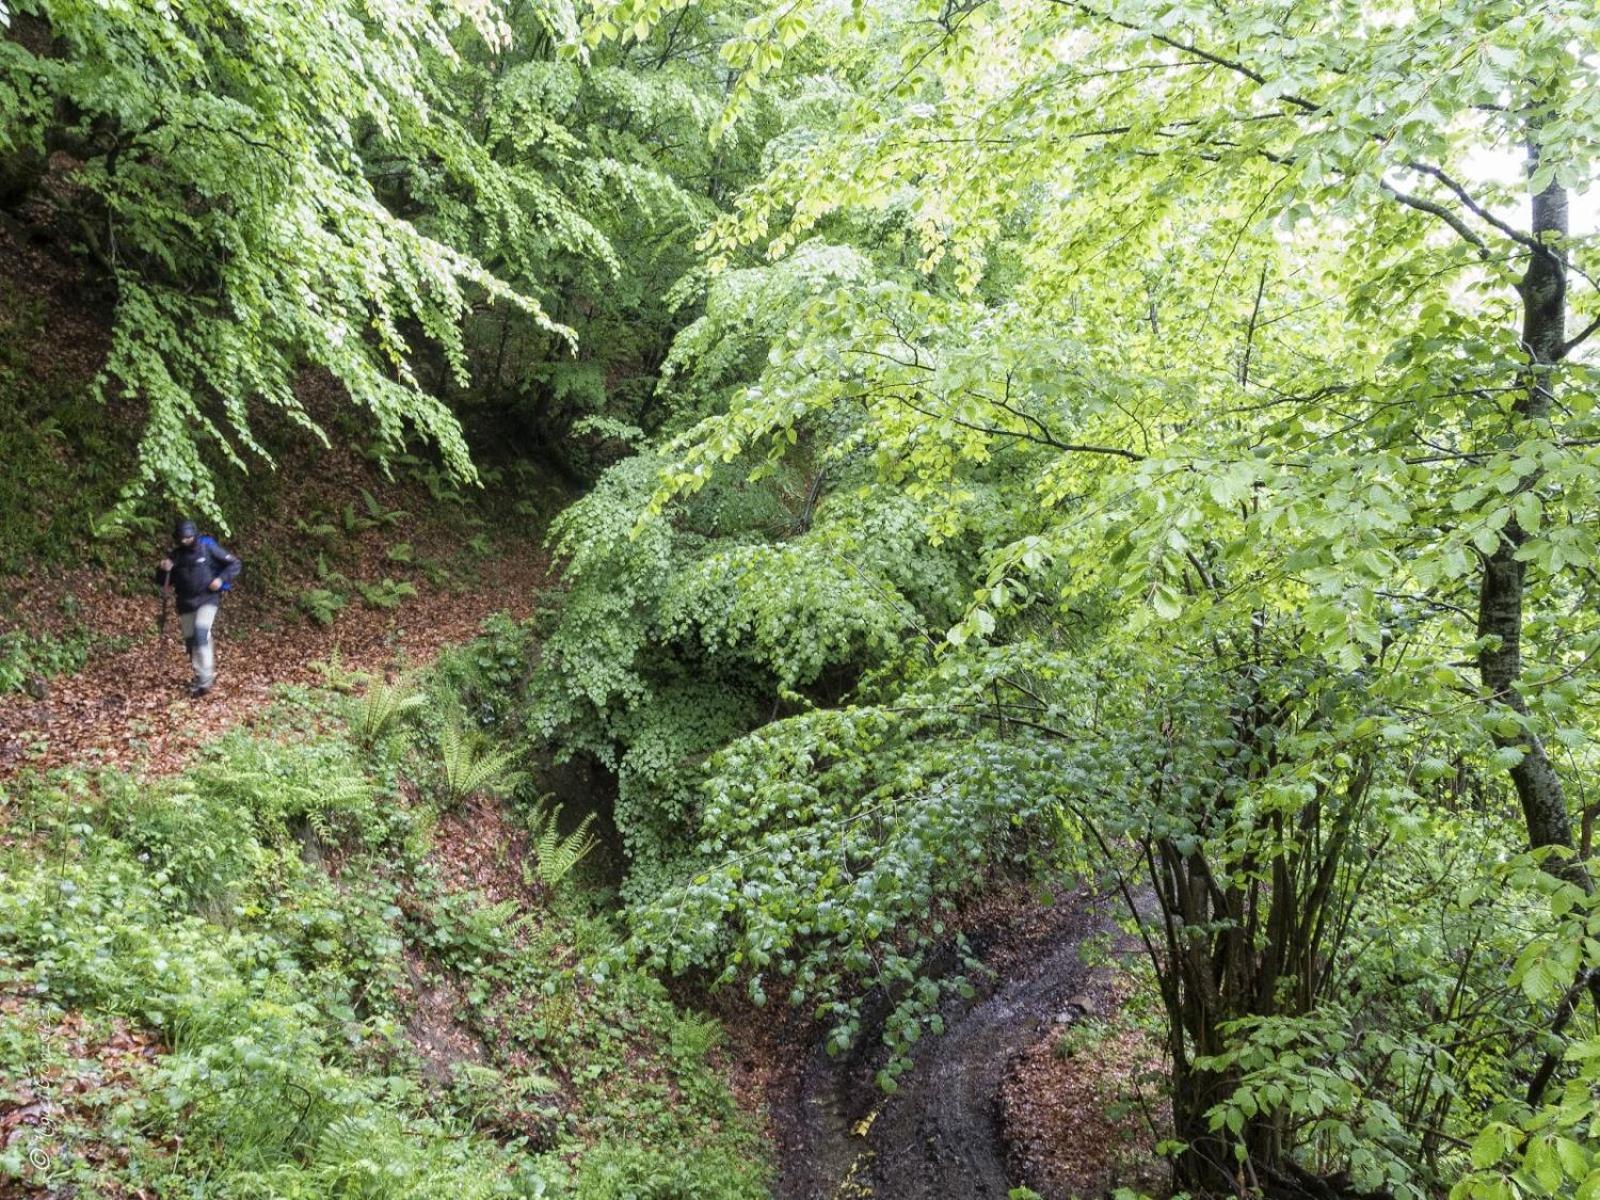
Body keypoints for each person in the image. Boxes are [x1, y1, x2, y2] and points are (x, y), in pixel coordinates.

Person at [154, 519, 242, 697]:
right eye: (182, 538)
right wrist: (163, 569)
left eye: (188, 537)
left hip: (208, 599)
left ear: (194, 535)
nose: (185, 541)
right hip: (185, 603)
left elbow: (234, 563)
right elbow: (163, 582)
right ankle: (200, 676)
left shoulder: (207, 548)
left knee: (201, 634)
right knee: (191, 643)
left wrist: (221, 580)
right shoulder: (176, 555)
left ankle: (205, 679)